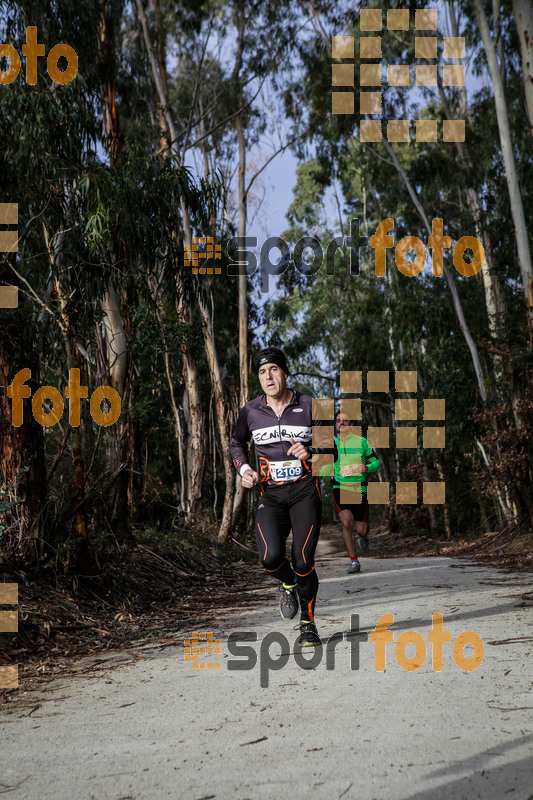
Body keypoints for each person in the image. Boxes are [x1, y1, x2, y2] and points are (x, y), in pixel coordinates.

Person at [230, 347, 330, 647]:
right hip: (270, 495)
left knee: (303, 560)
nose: (268, 376)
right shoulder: (250, 411)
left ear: (285, 373)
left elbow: (331, 454)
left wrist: (311, 452)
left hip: (304, 492)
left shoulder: (313, 405)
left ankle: (308, 624)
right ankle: (288, 583)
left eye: (274, 369)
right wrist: (244, 468)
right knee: (270, 558)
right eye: (262, 372)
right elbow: (236, 442)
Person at [331, 412, 380, 574]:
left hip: (359, 488)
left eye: (345, 420)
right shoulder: (331, 444)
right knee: (346, 522)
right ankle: (354, 561)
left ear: (351, 424)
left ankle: (363, 536)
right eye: (338, 421)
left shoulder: (362, 442)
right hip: (340, 487)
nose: (341, 423)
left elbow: (376, 461)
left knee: (361, 529)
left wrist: (368, 467)